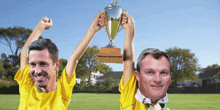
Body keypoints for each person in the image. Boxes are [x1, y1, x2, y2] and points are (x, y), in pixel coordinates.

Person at [14, 10, 105, 110]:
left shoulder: (62, 90)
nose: (37, 71)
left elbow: (74, 58)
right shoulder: (27, 86)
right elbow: (24, 54)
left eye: (43, 64)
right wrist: (40, 27)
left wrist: (93, 29)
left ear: (56, 65)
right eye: (33, 64)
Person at [119, 12, 172, 110]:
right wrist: (130, 30)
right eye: (150, 72)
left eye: (163, 73)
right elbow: (128, 61)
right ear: (138, 76)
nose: (157, 79)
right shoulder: (131, 99)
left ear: (170, 78)